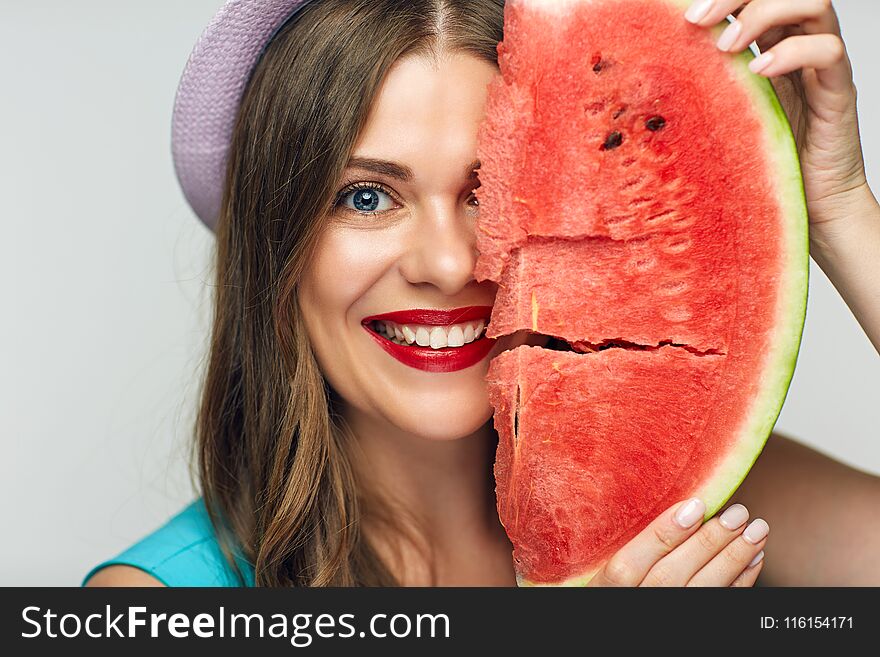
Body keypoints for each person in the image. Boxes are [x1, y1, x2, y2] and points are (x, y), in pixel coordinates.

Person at [83, 0, 880, 587]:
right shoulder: (153, 602)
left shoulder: (678, 507)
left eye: (495, 188)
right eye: (366, 196)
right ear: (278, 248)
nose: (449, 262)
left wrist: (842, 208)